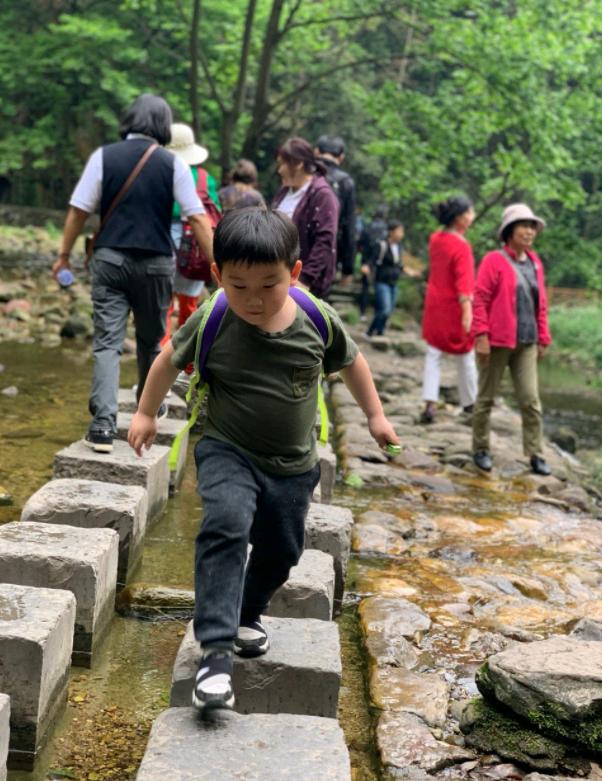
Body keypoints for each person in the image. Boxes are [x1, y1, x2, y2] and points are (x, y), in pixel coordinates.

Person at [127, 207, 399, 716]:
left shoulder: (316, 318)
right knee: (226, 526)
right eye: (239, 285)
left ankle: (249, 611)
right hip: (226, 445)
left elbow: (352, 362)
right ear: (218, 275)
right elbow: (167, 359)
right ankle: (214, 653)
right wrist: (145, 412)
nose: (253, 299)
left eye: (268, 285)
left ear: (293, 274)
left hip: (293, 463)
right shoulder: (212, 316)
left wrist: (376, 417)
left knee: (283, 549)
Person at [52, 94, 214, 454]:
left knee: (108, 343)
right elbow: (196, 217)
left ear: (129, 120)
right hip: (156, 263)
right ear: (162, 127)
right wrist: (219, 266)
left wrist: (63, 255)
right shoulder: (174, 165)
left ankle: (102, 427)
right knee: (151, 342)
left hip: (110, 259)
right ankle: (147, 410)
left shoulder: (103, 156)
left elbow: (79, 211)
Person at [472, 203, 552, 475]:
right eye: (524, 226)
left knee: (530, 400)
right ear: (510, 230)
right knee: (486, 399)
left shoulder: (535, 263)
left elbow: (541, 304)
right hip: (496, 341)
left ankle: (535, 453)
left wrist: (544, 336)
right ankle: (481, 448)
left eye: (532, 227)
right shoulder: (493, 260)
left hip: (527, 342)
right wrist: (481, 335)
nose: (530, 231)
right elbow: (480, 299)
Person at [161, 123, 221, 347]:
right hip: (196, 246)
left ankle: (160, 357)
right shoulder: (205, 178)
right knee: (188, 307)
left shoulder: (161, 173)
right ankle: (187, 361)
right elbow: (214, 212)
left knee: (163, 306)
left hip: (164, 243)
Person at [420, 195, 477, 424]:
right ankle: (470, 403)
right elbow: (464, 281)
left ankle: (429, 403)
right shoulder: (461, 246)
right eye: (470, 213)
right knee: (466, 354)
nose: (472, 217)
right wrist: (467, 310)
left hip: (435, 304)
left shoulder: (435, 239)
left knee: (433, 354)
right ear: (460, 218)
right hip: (454, 306)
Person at [273, 137, 339, 298]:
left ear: (298, 164)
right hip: (278, 276)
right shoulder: (284, 191)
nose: (279, 170)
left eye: (282, 164)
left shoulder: (322, 195)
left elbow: (325, 241)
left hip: (303, 283)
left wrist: (306, 279)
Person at [314, 135, 356, 286]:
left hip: (293, 252)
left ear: (316, 151)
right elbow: (349, 228)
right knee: (316, 305)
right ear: (341, 157)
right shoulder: (345, 182)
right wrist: (348, 268)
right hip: (327, 255)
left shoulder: (303, 173)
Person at [364, 220, 405, 337]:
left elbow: (398, 264)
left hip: (394, 282)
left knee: (389, 310)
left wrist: (409, 271)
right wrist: (367, 266)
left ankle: (380, 331)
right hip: (382, 282)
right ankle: (370, 331)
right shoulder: (382, 245)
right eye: (399, 231)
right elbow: (373, 259)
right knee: (385, 309)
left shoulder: (399, 247)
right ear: (391, 232)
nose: (402, 234)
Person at [358, 205, 389, 322]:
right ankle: (378, 313)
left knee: (365, 287)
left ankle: (363, 312)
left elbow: (360, 243)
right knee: (378, 287)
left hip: (366, 260)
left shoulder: (367, 227)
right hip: (379, 262)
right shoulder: (385, 229)